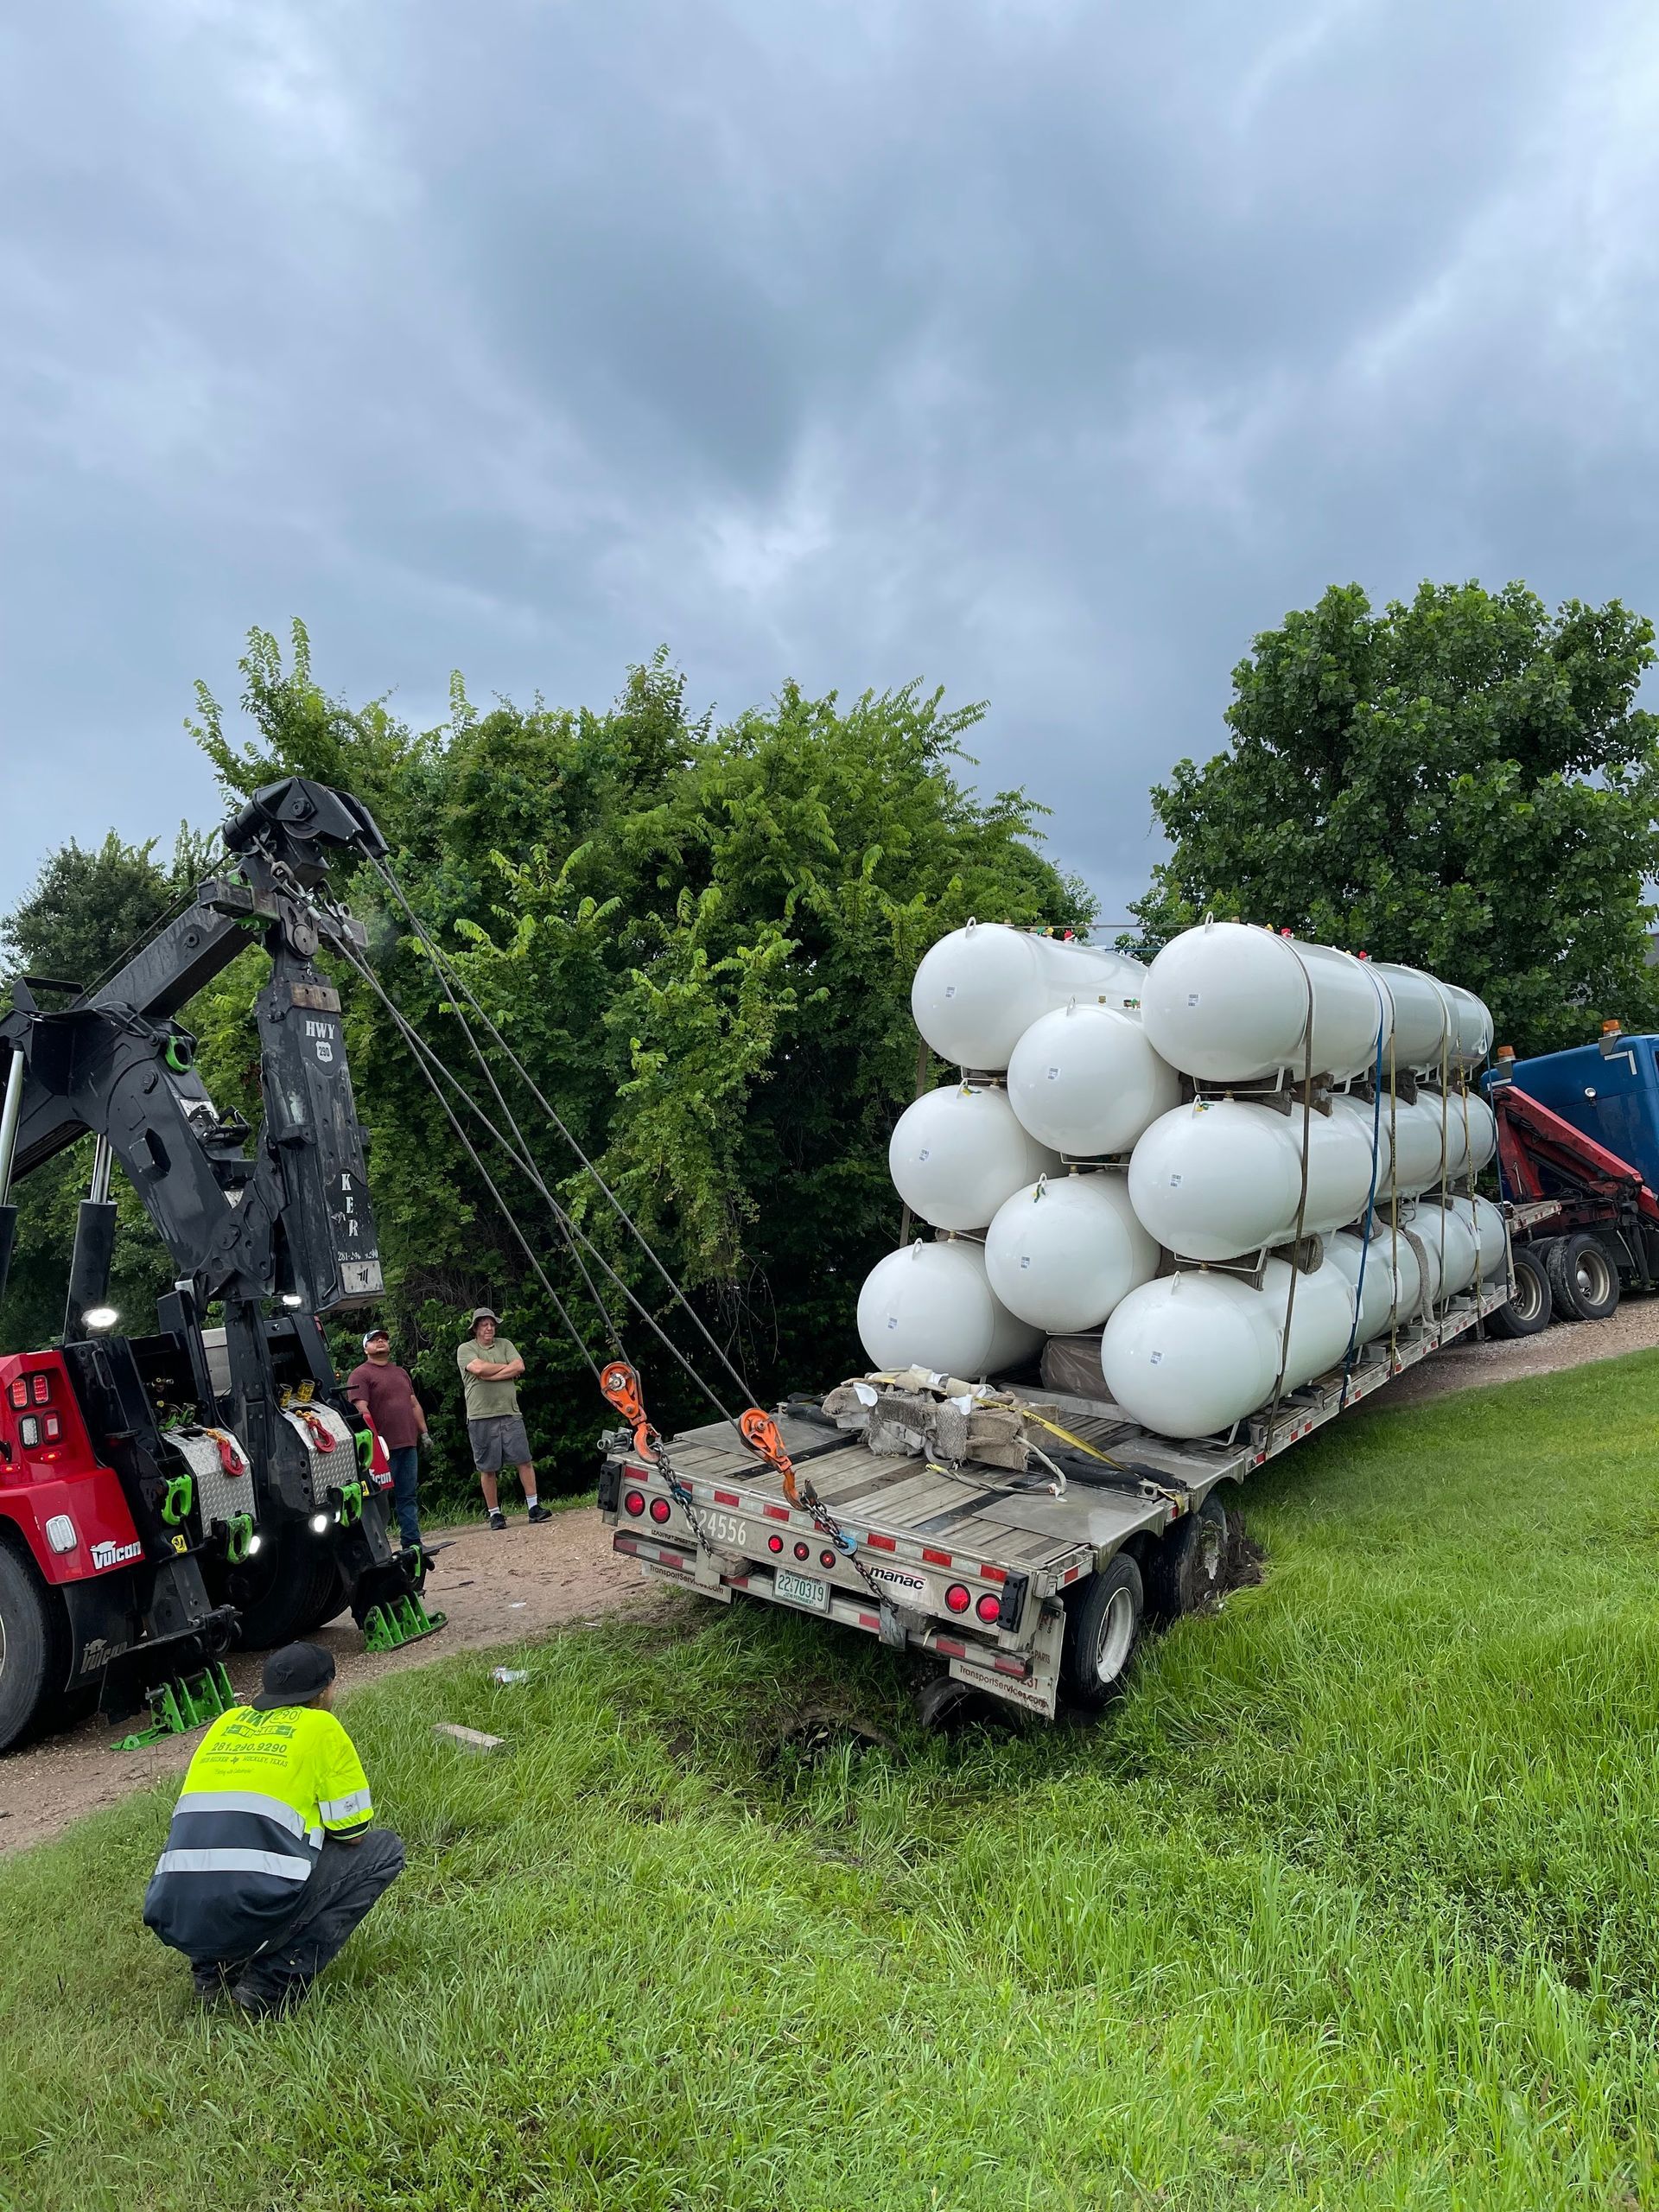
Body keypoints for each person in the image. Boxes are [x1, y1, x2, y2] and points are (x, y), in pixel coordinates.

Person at [143, 1643, 404, 2019]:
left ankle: (212, 1975)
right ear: (325, 1691)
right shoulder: (321, 1726)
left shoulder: (225, 1723)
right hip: (251, 1906)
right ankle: (271, 1983)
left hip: (175, 1911)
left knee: (221, 1844)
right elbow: (354, 1834)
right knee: (384, 1851)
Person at [456, 1305, 549, 1529]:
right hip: (480, 1415)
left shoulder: (506, 1344)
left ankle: (533, 1507)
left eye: (492, 1324)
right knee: (487, 1467)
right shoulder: (465, 1349)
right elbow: (478, 1369)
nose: (489, 1328)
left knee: (524, 1460)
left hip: (510, 1411)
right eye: (484, 1325)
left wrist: (492, 1374)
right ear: (476, 1328)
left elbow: (519, 1366)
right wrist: (505, 1370)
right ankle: (495, 1514)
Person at [346, 1325, 429, 1550]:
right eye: (374, 1340)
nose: (380, 1342)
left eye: (383, 1339)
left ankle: (412, 1541)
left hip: (408, 1443)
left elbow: (413, 1403)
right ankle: (378, 1546)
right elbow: (361, 1410)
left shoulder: (400, 1372)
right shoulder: (361, 1374)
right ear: (366, 1348)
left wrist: (425, 1433)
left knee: (408, 1494)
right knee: (379, 1497)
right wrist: (373, 1442)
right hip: (381, 1448)